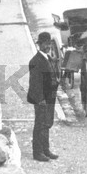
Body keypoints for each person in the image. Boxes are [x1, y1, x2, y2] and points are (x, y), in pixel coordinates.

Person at [28, 32, 61, 162]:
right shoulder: (35, 61)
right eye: (45, 44)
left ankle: (46, 150)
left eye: (49, 44)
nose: (48, 46)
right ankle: (37, 152)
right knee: (39, 125)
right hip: (41, 99)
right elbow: (35, 83)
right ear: (39, 45)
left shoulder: (49, 59)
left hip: (50, 97)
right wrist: (40, 99)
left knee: (47, 123)